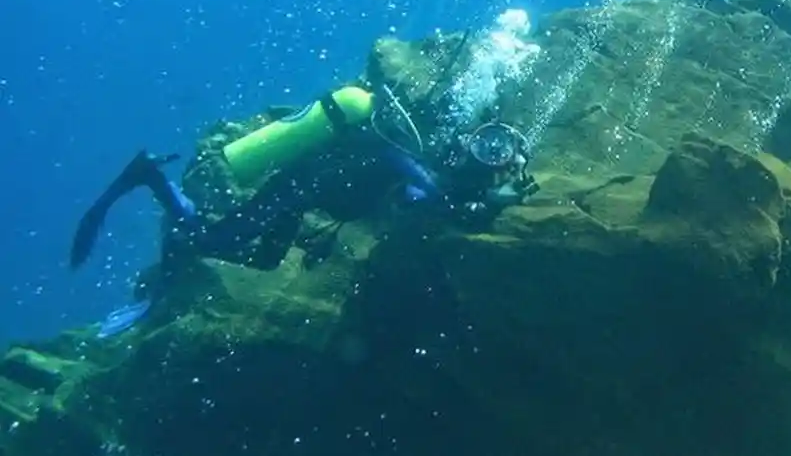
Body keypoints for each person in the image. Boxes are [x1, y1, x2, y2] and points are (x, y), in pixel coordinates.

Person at [71, 79, 540, 338]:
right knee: (216, 241)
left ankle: (174, 213)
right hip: (295, 189)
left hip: (303, 195)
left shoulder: (413, 155)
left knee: (265, 257)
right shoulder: (396, 143)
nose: (476, 152)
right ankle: (149, 179)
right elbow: (430, 192)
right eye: (481, 144)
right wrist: (490, 198)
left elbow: (417, 200)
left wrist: (478, 197)